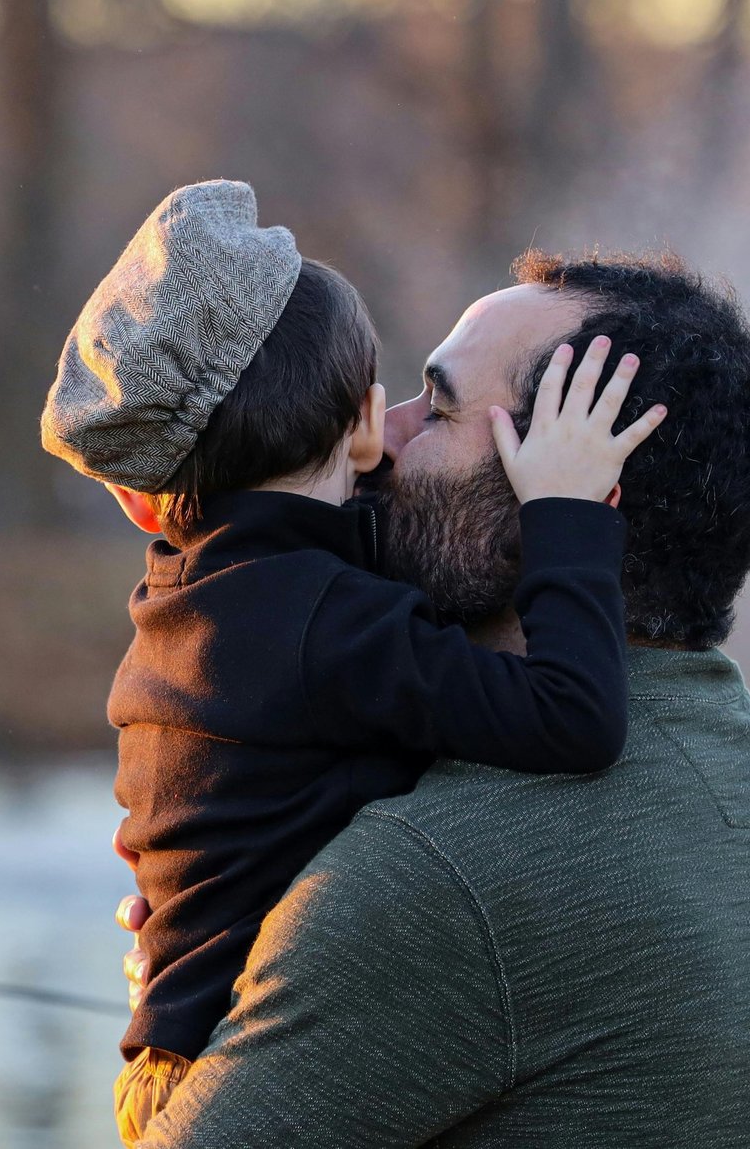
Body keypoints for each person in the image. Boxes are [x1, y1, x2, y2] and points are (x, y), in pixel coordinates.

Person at [118, 249, 750, 1148]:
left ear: (560, 500)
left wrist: (171, 993)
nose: (386, 434)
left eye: (440, 406)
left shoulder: (438, 869)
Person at [38, 181, 667, 1147]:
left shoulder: (193, 598)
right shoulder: (326, 625)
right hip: (237, 1079)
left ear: (142, 504)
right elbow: (575, 717)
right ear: (368, 429)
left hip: (167, 1059)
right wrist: (567, 515)